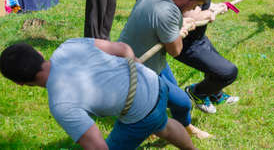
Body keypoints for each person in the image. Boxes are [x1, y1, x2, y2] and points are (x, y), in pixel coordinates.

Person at [0, 38, 197, 150]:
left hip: (142, 111)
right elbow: (123, 48)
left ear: (20, 83)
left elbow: (98, 148)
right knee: (161, 123)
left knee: (151, 121)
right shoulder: (69, 46)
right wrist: (137, 70)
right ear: (39, 53)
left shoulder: (60, 104)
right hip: (154, 81)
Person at [118, 0, 212, 139]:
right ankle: (154, 127)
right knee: (182, 102)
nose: (192, 10)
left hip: (135, 55)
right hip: (139, 67)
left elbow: (169, 22)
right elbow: (175, 50)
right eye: (193, 6)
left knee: (173, 92)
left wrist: (182, 23)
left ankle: (184, 125)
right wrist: (178, 32)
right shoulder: (167, 12)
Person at [180, 0, 240, 114]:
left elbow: (200, 4)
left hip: (198, 39)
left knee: (217, 66)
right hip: (185, 43)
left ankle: (215, 94)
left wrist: (214, 6)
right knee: (228, 72)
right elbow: (187, 16)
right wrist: (207, 14)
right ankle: (197, 92)